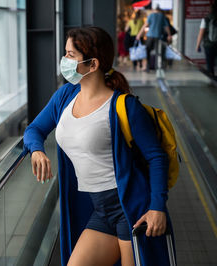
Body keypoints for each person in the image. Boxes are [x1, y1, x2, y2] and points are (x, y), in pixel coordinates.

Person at [23, 27, 175, 266]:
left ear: (92, 64)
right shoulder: (65, 96)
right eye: (66, 53)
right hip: (100, 209)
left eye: (71, 55)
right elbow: (34, 129)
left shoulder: (124, 107)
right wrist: (37, 150)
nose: (64, 61)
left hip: (130, 208)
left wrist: (157, 207)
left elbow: (157, 157)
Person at [137, 6, 172, 71]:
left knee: (148, 51)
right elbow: (166, 27)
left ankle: (147, 66)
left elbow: (145, 25)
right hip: (158, 37)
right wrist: (169, 35)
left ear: (154, 10)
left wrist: (139, 34)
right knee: (158, 52)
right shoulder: (162, 16)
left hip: (150, 36)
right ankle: (157, 66)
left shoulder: (151, 15)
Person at [196, 1, 217, 77]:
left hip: (208, 45)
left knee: (209, 64)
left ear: (210, 10)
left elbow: (201, 33)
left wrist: (197, 45)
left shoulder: (205, 19)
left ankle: (212, 80)